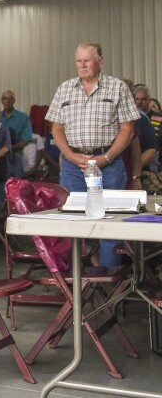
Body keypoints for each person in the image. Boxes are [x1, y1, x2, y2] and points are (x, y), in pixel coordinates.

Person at [45, 43, 141, 266]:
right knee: (71, 222)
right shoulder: (65, 88)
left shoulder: (117, 88)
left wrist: (106, 158)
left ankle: (108, 278)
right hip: (73, 166)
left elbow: (127, 129)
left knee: (110, 224)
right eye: (79, 61)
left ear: (100, 61)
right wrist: (69, 155)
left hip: (109, 163)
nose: (82, 65)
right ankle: (75, 278)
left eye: (87, 60)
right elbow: (56, 128)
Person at [0, 90, 33, 177]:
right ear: (1, 100)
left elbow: (26, 140)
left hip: (15, 154)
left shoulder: (23, 117)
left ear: (14, 101)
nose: (7, 101)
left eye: (10, 99)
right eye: (5, 98)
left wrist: (8, 148)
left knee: (15, 182)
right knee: (0, 182)